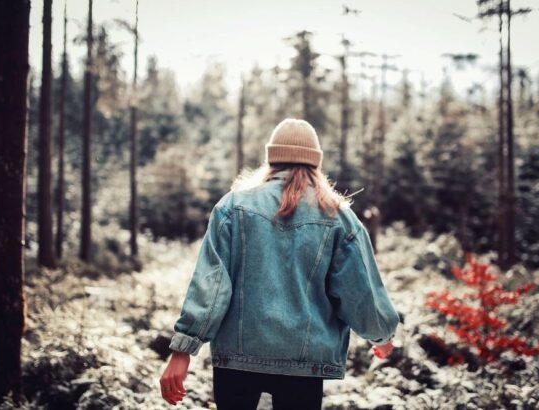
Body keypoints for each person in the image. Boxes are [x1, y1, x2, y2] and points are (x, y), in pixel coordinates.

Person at [159, 118, 400, 409]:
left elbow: (211, 286)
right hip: (304, 364)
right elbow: (359, 290)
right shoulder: (339, 217)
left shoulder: (232, 207)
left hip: (237, 360)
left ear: (271, 159)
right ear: (316, 163)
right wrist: (381, 335)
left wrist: (183, 351)